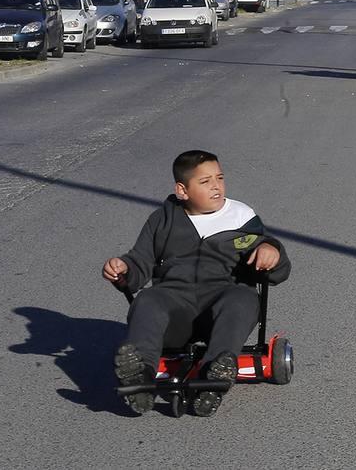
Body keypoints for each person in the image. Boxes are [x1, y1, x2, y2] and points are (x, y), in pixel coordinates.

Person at [103, 150, 291, 417]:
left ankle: (214, 374)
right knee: (148, 300)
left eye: (220, 178)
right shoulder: (163, 220)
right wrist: (123, 269)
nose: (216, 186)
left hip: (221, 308)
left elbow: (273, 263)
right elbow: (140, 262)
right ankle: (140, 377)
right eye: (205, 182)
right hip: (175, 308)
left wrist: (272, 252)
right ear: (182, 190)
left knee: (243, 298)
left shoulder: (241, 217)